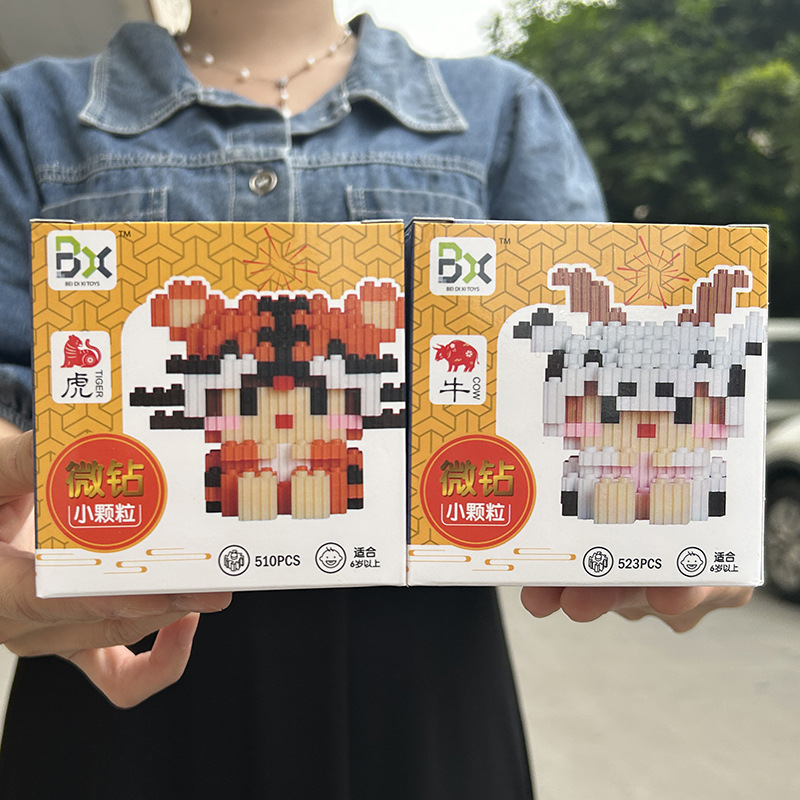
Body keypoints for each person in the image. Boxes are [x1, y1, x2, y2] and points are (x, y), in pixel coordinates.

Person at [0, 1, 752, 797]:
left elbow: (592, 352)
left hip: (416, 670)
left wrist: (680, 524)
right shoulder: (30, 113)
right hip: (114, 643)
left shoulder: (501, 111)